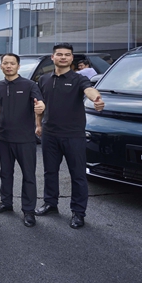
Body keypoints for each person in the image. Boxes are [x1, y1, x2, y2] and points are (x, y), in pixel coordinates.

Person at [35, 43, 104, 229]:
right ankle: (50, 203)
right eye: (59, 54)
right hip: (50, 134)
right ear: (53, 57)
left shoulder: (78, 79)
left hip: (73, 135)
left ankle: (78, 212)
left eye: (67, 54)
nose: (63, 57)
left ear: (72, 58)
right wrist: (38, 124)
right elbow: (39, 104)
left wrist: (96, 99)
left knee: (78, 175)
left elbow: (89, 90)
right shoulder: (44, 79)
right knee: (50, 172)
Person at [0, 54, 45, 227]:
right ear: (1, 66)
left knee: (28, 175)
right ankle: (6, 202)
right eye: (5, 63)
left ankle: (28, 210)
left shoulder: (29, 85)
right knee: (5, 172)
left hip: (25, 138)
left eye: (12, 63)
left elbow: (39, 103)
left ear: (18, 66)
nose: (8, 66)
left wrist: (40, 108)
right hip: (4, 137)